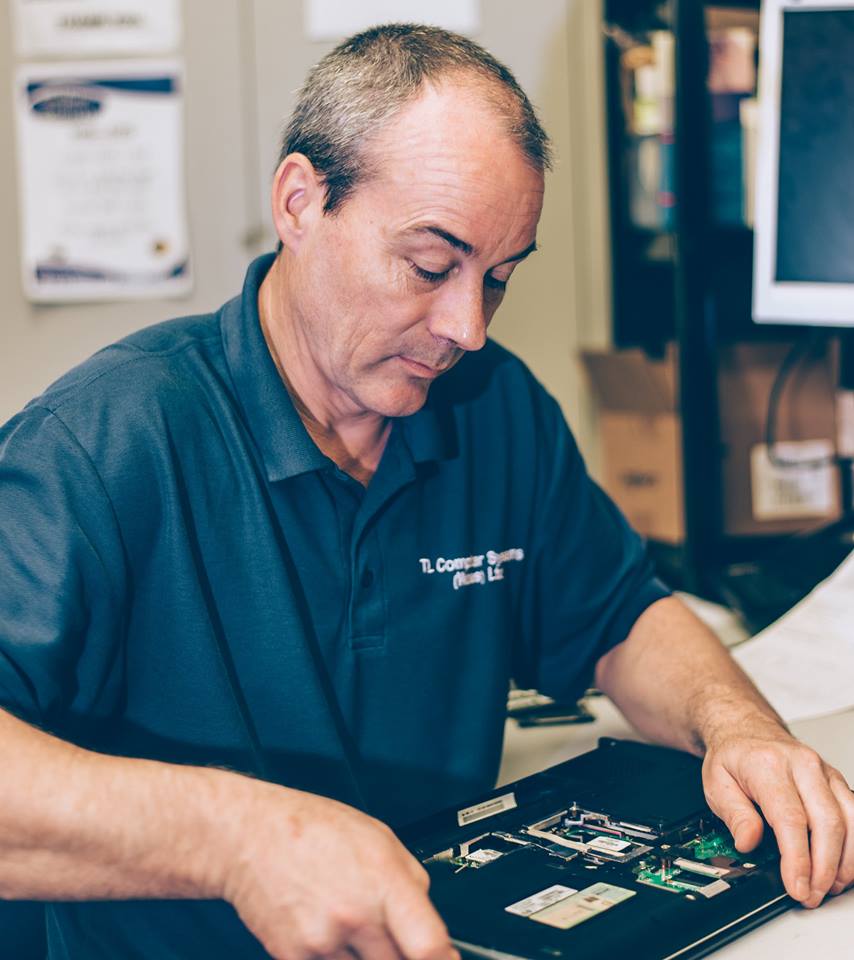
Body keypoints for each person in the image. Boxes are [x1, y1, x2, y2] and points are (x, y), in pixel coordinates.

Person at [0, 23, 850, 960]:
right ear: (299, 201)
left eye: (499, 278)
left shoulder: (492, 405)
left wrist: (739, 730)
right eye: (431, 267)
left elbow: (615, 618)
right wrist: (238, 839)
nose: (466, 328)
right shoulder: (105, 442)